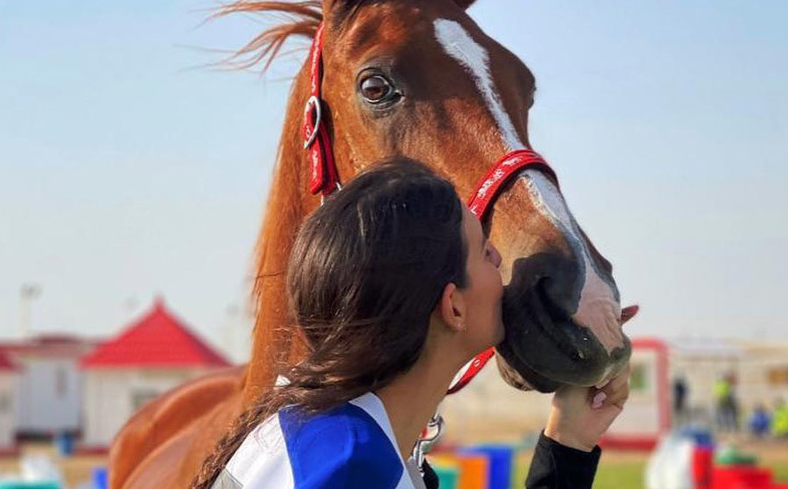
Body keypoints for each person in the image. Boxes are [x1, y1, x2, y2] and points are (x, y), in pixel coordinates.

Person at [192, 158, 636, 489]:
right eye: (484, 251)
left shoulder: (341, 441)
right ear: (453, 307)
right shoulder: (350, 467)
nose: (500, 260)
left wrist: (568, 440)